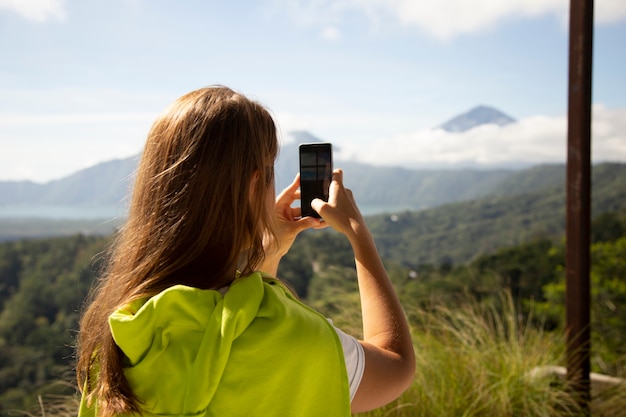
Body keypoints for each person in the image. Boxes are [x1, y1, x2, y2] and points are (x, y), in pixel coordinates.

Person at [76, 86, 415, 417]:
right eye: (270, 174)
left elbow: (224, 323)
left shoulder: (118, 334)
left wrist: (269, 256)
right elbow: (395, 368)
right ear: (255, 185)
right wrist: (359, 235)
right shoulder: (296, 339)